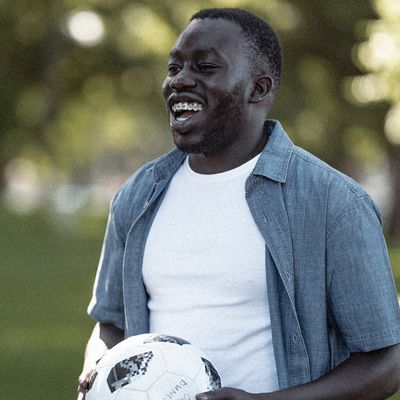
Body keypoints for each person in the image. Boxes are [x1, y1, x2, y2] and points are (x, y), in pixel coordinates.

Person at [77, 7, 400, 400]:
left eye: (205, 67)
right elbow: (110, 324)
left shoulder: (335, 203)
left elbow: (386, 363)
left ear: (258, 89)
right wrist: (99, 370)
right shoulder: (138, 195)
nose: (179, 81)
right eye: (174, 67)